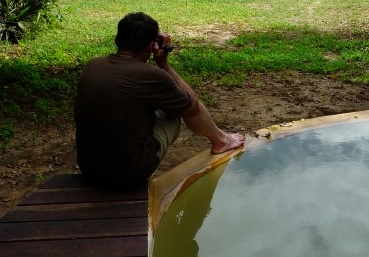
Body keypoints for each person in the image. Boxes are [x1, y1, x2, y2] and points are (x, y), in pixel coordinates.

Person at [75, 11, 245, 188]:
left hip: (90, 170)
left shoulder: (93, 65)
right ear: (152, 45)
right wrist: (164, 64)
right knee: (175, 112)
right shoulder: (151, 75)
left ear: (117, 40)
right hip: (127, 176)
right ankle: (221, 141)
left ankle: (220, 139)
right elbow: (192, 105)